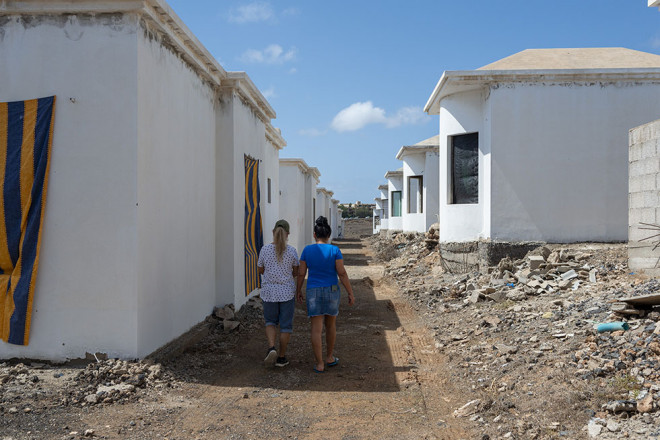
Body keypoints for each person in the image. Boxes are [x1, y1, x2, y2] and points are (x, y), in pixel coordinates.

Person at [296, 216, 355, 373]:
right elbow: (341, 273)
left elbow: (301, 273)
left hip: (313, 291)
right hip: (332, 290)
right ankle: (329, 357)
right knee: (330, 325)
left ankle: (319, 364)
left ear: (314, 235)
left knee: (316, 329)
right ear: (328, 235)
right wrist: (350, 292)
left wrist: (298, 290)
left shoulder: (307, 250)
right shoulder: (335, 250)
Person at [257, 219, 299, 367]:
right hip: (287, 292)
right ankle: (281, 357)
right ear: (288, 234)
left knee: (270, 322)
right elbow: (296, 271)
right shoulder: (292, 251)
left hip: (269, 292)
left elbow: (260, 269)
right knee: (285, 326)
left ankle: (271, 348)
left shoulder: (265, 249)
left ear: (273, 232)